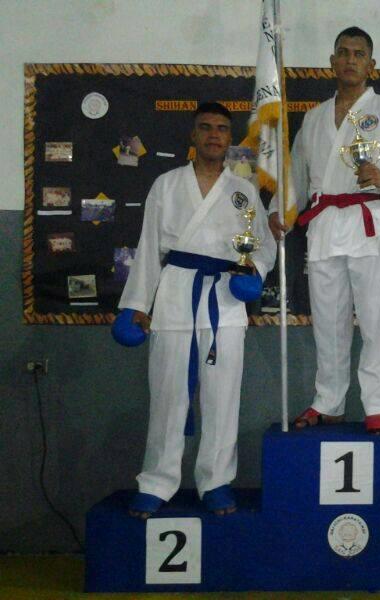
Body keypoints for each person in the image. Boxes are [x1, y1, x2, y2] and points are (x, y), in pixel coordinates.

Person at [117, 102, 276, 518]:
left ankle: (216, 481)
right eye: (205, 127)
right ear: (193, 135)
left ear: (230, 138)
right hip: (175, 294)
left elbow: (263, 244)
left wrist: (254, 273)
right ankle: (157, 480)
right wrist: (136, 305)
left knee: (223, 398)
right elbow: (149, 249)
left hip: (225, 299)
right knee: (168, 395)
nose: (213, 135)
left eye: (221, 128)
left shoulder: (243, 190)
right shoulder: (167, 184)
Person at [268, 26, 380, 434]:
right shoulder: (314, 117)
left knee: (376, 319)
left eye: (359, 53)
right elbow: (296, 174)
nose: (350, 59)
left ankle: (379, 404)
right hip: (324, 224)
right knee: (328, 321)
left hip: (366, 220)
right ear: (332, 62)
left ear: (371, 64)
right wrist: (281, 211)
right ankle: (329, 401)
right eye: (343, 52)